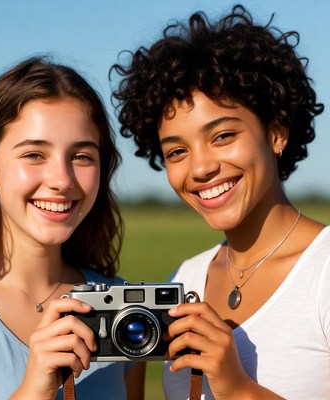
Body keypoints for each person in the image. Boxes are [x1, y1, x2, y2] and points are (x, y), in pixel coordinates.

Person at [111, 4, 329, 399]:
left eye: (223, 135)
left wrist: (236, 387)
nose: (201, 167)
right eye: (177, 152)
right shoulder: (186, 279)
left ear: (277, 133)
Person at [0, 56, 145, 400]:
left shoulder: (121, 308)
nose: (61, 179)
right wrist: (33, 390)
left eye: (82, 156)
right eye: (34, 154)